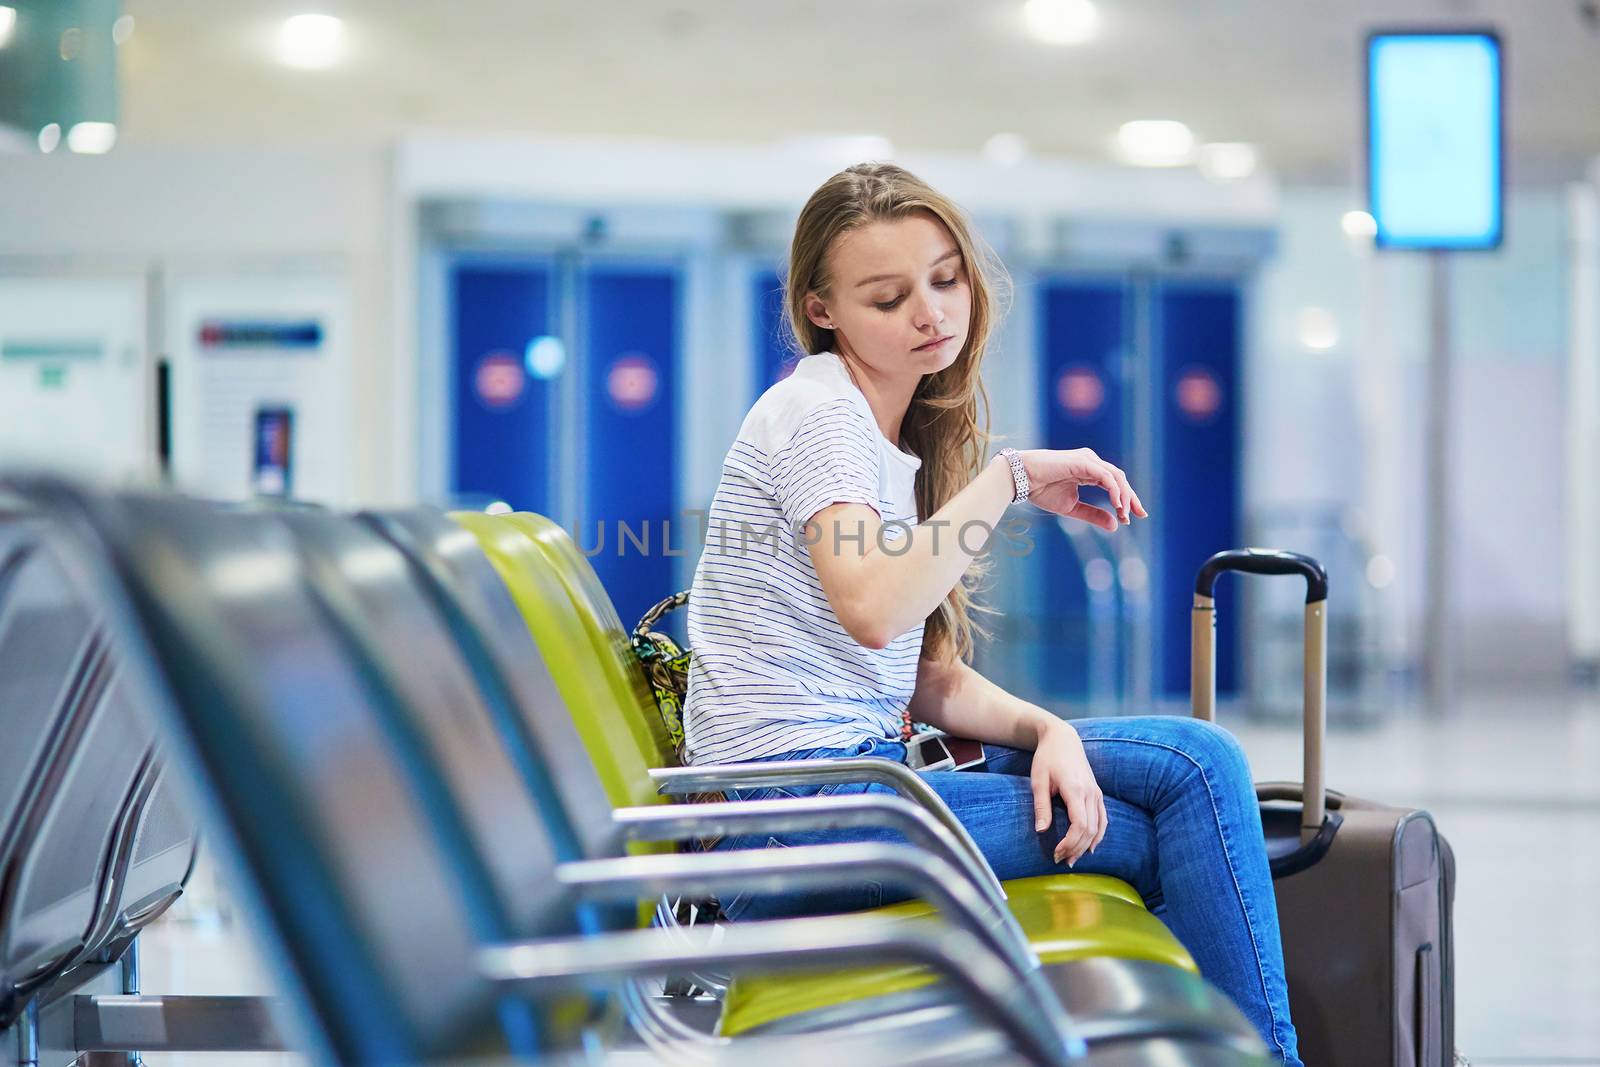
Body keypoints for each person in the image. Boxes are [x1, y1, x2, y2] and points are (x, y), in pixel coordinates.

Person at [682, 161, 1301, 1066]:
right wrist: (1007, 478)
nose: (930, 312)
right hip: (791, 820)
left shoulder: (881, 431)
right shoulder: (821, 414)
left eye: (945, 278)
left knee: (1199, 760)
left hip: (845, 794)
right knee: (1167, 825)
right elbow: (873, 608)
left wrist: (1051, 728)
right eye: (888, 298)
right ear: (822, 310)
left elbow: (920, 672)